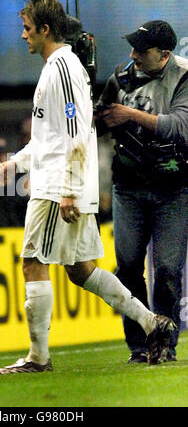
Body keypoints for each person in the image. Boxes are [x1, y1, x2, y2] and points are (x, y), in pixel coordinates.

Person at [0, 0, 175, 374]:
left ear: (45, 29)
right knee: (80, 270)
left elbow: (77, 131)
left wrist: (70, 189)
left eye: (27, 28)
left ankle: (38, 358)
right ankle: (151, 323)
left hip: (58, 186)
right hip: (62, 181)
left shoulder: (62, 68)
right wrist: (17, 163)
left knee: (32, 263)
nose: (23, 36)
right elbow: (50, 137)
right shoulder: (55, 68)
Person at [95, 20, 188, 363]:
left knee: (166, 269)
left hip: (173, 188)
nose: (132, 55)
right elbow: (99, 120)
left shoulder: (183, 77)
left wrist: (128, 114)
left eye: (141, 50)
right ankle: (138, 345)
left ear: (164, 55)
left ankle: (166, 345)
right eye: (132, 47)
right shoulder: (120, 76)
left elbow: (180, 127)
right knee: (129, 266)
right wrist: (100, 113)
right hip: (128, 187)